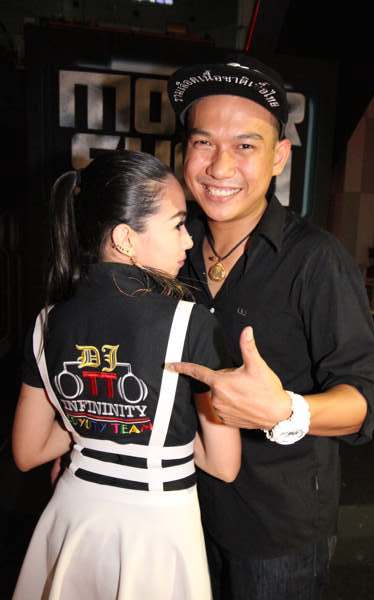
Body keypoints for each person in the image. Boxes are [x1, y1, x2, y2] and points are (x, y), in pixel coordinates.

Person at [167, 54, 374, 599]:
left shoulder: (315, 259)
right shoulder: (170, 250)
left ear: (279, 157)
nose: (220, 168)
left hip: (277, 531)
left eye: (245, 145)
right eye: (203, 142)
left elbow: (367, 400)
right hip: (180, 509)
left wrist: (287, 411)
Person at [12, 151, 241, 600]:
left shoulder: (47, 322)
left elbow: (28, 451)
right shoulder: (192, 323)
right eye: (177, 225)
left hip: (75, 515)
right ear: (125, 238)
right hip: (159, 524)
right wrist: (147, 423)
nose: (189, 240)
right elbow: (224, 464)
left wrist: (92, 420)